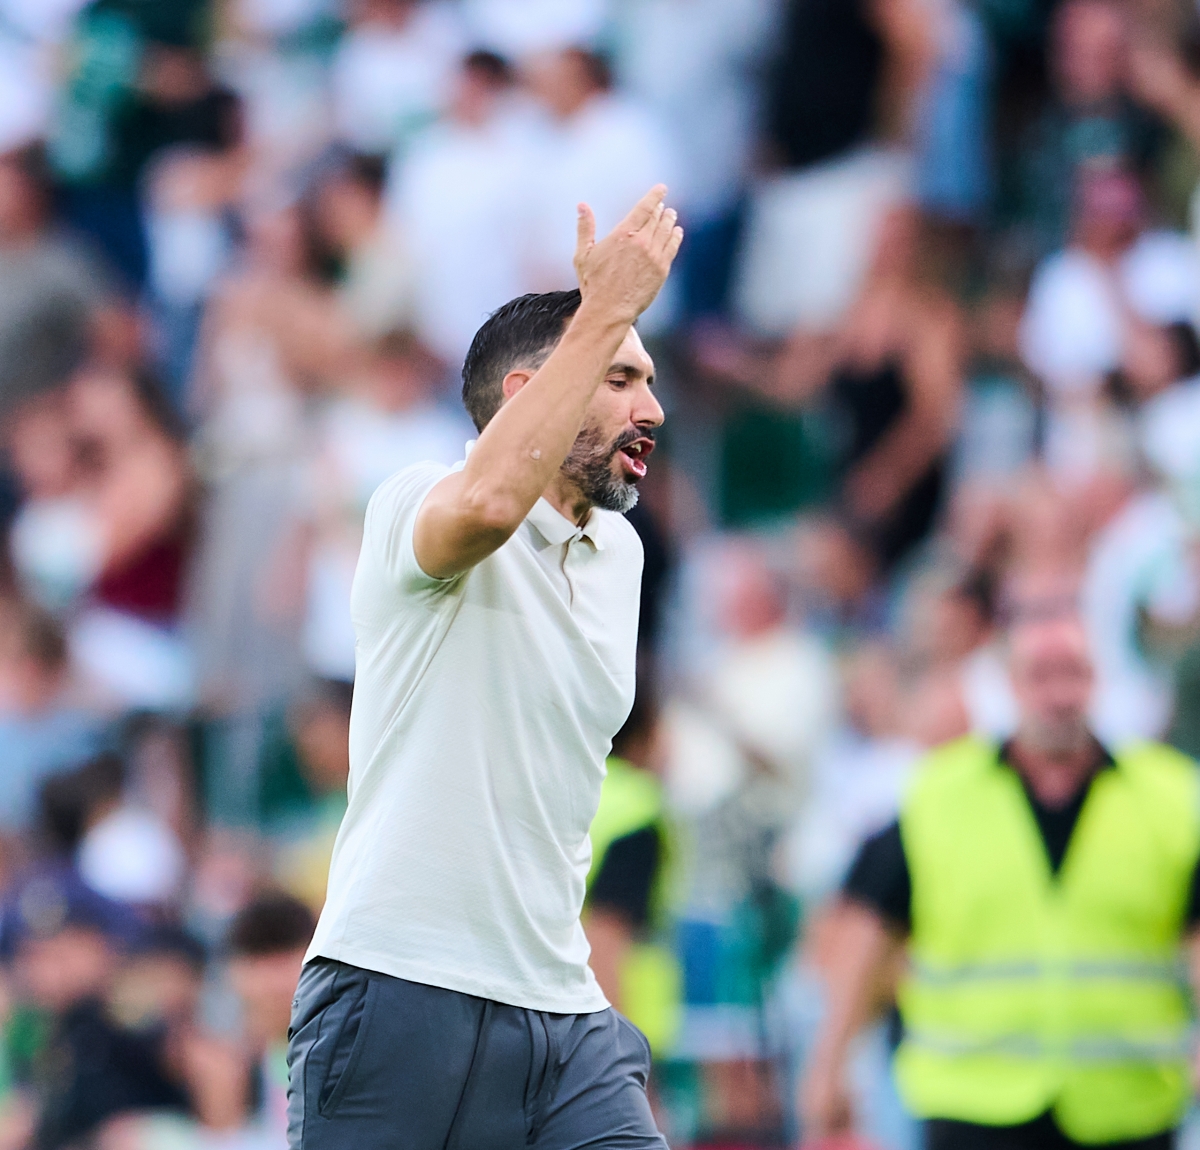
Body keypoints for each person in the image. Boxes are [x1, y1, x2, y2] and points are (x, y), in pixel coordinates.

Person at [288, 186, 683, 1148]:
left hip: (562, 1006)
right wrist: (602, 313)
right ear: (526, 396)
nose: (655, 409)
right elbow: (497, 499)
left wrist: (605, 328)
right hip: (396, 990)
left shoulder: (622, 554)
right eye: (622, 377)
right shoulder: (417, 501)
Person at [800, 612, 1200, 1149]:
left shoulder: (1169, 797)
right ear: (1010, 685)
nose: (1059, 694)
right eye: (1040, 675)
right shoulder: (939, 794)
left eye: (1073, 673)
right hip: (973, 1103)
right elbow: (869, 932)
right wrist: (830, 1063)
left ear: (1097, 680)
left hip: (1126, 1106)